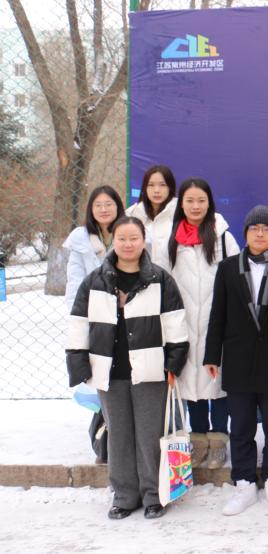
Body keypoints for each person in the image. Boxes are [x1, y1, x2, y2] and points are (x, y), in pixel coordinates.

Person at [65, 216, 187, 520]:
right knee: (118, 434)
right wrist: (79, 362)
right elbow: (78, 324)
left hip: (151, 370)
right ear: (113, 241)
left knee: (149, 434)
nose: (128, 244)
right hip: (109, 371)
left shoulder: (160, 279)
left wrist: (174, 362)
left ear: (143, 241)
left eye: (134, 238)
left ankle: (153, 494)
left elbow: (175, 324)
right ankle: (124, 495)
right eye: (122, 238)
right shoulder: (95, 281)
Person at [204, 206, 268, 516]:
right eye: (254, 228)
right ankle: (244, 481)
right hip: (238, 358)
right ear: (245, 233)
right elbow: (218, 313)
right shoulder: (228, 268)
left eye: (266, 229)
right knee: (242, 425)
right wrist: (211, 354)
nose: (260, 234)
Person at [152, 178, 239, 469]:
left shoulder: (223, 236)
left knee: (217, 383)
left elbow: (236, 278)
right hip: (183, 322)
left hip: (217, 322)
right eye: (189, 201)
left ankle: (219, 440)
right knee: (190, 383)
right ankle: (198, 440)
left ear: (209, 202)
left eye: (201, 200)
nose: (195, 206)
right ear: (181, 204)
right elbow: (160, 281)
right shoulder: (170, 239)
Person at [64, 185, 125, 312]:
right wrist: (76, 311)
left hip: (125, 304)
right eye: (98, 205)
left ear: (117, 206)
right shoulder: (80, 237)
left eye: (108, 204)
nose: (103, 209)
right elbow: (75, 279)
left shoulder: (130, 233)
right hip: (92, 305)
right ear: (91, 209)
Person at [125, 165, 177, 253]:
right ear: (145, 188)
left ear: (170, 187)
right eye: (151, 185)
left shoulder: (180, 211)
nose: (156, 190)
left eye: (162, 185)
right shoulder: (132, 214)